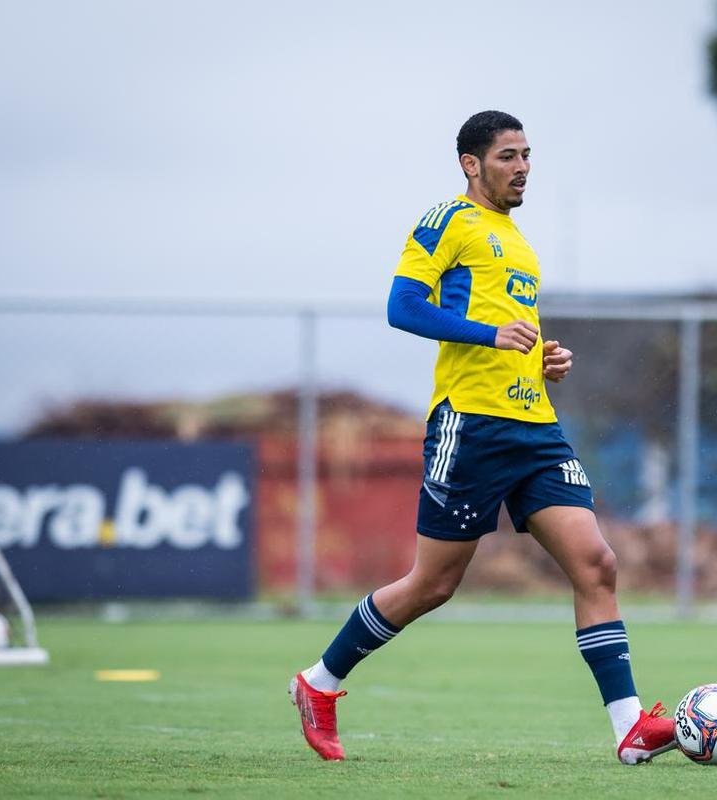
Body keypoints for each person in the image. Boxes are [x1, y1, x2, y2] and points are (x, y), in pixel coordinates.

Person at [289, 110, 676, 765]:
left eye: (527, 154)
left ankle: (629, 729)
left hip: (535, 429)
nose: (522, 166)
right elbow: (402, 307)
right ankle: (318, 683)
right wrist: (488, 335)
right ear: (471, 164)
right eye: (507, 156)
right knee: (432, 585)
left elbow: (511, 329)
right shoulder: (447, 221)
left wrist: (543, 360)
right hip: (469, 427)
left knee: (596, 565)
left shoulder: (518, 243)